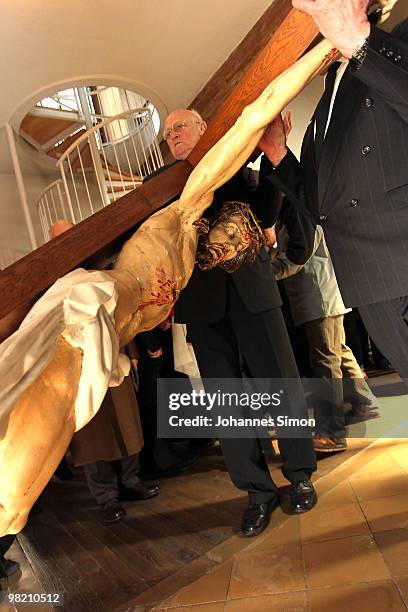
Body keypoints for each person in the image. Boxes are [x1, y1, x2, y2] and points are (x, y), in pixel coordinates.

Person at [163, 108, 318, 537]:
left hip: (254, 295)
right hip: (201, 307)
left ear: (201, 130)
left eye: (180, 127)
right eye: (167, 132)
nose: (173, 135)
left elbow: (267, 211)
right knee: (228, 404)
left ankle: (300, 473)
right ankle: (256, 492)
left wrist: (272, 156)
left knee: (281, 384)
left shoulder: (236, 167)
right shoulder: (158, 187)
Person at [263, 0, 408, 397]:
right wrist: (278, 153)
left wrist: (360, 41)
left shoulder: (392, 44)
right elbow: (320, 205)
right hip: (370, 280)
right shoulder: (329, 95)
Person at [272, 196, 379, 452]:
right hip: (323, 293)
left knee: (325, 360)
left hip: (318, 294)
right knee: (337, 351)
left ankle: (331, 432)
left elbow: (300, 253)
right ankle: (360, 402)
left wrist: (266, 272)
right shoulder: (302, 205)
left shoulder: (296, 208)